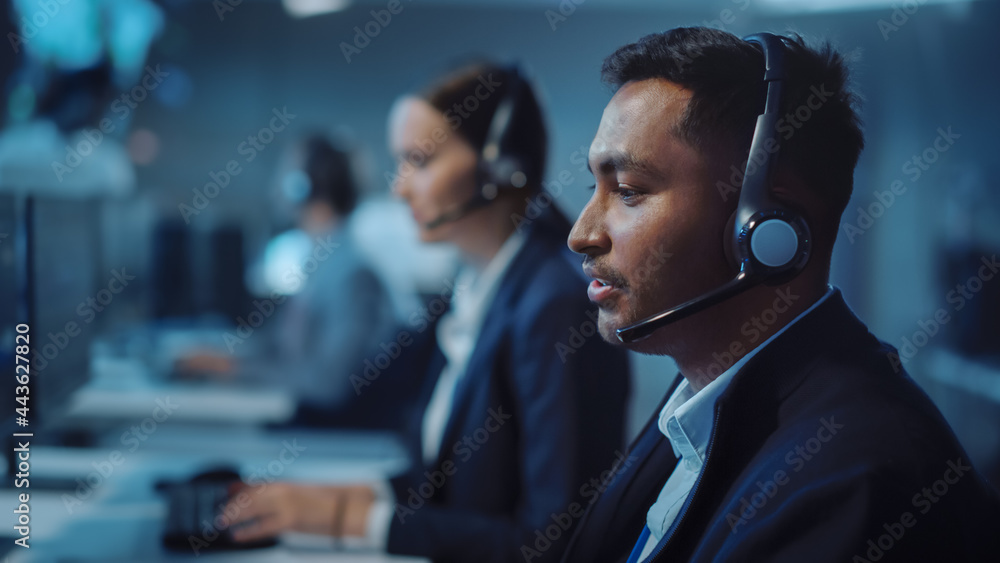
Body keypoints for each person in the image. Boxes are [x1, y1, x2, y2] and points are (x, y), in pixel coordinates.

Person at [561, 27, 1000, 562]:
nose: (581, 233)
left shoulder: (852, 484)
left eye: (628, 191)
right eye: (595, 188)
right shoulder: (701, 401)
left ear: (765, 228)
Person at [225, 62, 630, 563]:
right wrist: (307, 499)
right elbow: (437, 484)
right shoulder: (474, 288)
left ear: (498, 166)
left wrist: (341, 520)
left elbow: (550, 542)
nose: (399, 188)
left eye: (419, 160)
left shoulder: (554, 306)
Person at [178, 135, 399, 425]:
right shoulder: (322, 260)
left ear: (302, 186)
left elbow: (327, 383)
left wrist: (233, 368)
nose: (277, 185)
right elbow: (282, 348)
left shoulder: (353, 273)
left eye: (287, 173)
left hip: (326, 434)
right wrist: (225, 358)